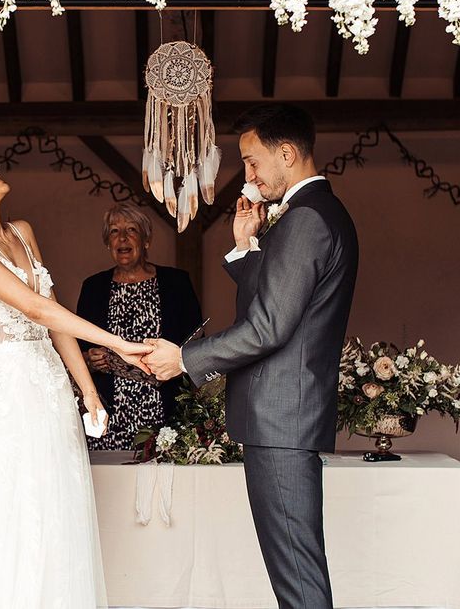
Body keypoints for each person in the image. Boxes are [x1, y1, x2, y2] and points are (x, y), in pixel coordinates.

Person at [0, 133, 151, 608]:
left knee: (56, 513)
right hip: (12, 398)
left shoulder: (22, 231)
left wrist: (89, 391)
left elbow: (54, 318)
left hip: (53, 393)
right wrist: (121, 343)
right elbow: (36, 310)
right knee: (15, 515)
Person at [145, 104, 359, 609]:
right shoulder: (313, 214)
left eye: (252, 161)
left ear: (287, 153)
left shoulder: (306, 218)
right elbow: (281, 305)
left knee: (298, 579)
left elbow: (267, 327)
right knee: (294, 573)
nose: (249, 176)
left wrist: (185, 359)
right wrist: (246, 249)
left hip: (283, 422)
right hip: (284, 420)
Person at [76, 203, 202, 450]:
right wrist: (90, 359)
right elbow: (76, 347)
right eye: (114, 232)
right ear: (107, 243)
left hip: (165, 406)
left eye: (131, 230)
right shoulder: (93, 287)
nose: (122, 238)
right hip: (112, 409)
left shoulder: (176, 282)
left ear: (146, 240)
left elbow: (196, 340)